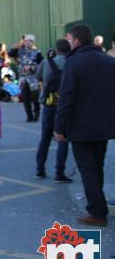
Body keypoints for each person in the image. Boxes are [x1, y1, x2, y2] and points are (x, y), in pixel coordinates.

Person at [55, 24, 115, 227]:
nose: (69, 43)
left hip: (81, 128)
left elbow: (66, 99)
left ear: (77, 41)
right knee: (96, 167)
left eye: (70, 40)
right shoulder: (108, 61)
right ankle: (99, 207)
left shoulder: (73, 63)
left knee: (88, 170)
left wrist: (59, 128)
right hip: (104, 126)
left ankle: (97, 213)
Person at [34, 39, 72, 182]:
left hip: (49, 104)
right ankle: (59, 173)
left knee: (45, 137)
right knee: (62, 138)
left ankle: (40, 170)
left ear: (56, 50)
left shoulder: (46, 62)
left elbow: (37, 77)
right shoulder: (71, 62)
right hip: (64, 105)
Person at [9, 34, 43, 122]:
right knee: (25, 98)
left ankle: (37, 114)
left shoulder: (37, 52)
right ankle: (29, 115)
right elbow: (10, 54)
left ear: (33, 42)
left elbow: (41, 65)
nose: (28, 42)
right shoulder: (20, 51)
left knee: (35, 97)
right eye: (27, 41)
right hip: (23, 78)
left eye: (30, 41)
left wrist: (32, 68)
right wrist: (14, 47)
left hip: (33, 78)